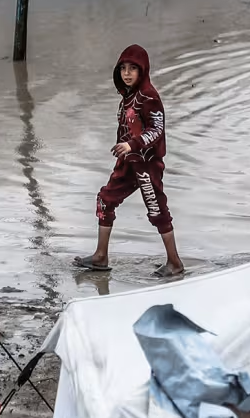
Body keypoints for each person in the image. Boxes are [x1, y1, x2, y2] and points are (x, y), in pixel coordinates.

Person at [74, 44, 184, 278]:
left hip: (146, 164)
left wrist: (132, 145)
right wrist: (124, 150)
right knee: (105, 200)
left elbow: (157, 130)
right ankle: (100, 256)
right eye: (123, 68)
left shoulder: (149, 96)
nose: (127, 73)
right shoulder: (127, 97)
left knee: (156, 209)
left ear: (142, 70)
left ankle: (175, 262)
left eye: (133, 68)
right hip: (127, 163)